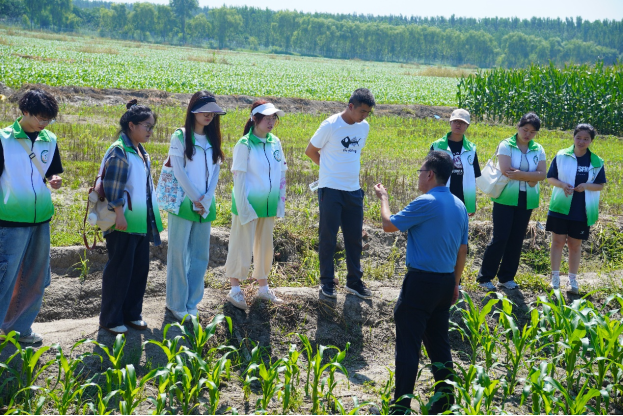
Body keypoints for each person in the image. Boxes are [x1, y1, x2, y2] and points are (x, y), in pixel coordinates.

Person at [374, 151, 467, 414]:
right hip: (445, 282)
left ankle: (401, 406)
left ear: (430, 174)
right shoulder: (459, 205)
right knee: (439, 344)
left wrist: (384, 198)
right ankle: (445, 400)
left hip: (421, 283)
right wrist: (455, 283)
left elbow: (389, 225)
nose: (419, 177)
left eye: (420, 171)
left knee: (408, 345)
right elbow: (462, 250)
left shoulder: (426, 202)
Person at [0, 89, 63, 344]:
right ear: (25, 111)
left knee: (35, 277)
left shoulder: (50, 139)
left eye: (49, 119)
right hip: (11, 219)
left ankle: (19, 328)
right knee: (4, 277)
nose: (44, 123)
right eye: (41, 117)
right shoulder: (4, 139)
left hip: (41, 219)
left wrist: (54, 180)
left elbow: (51, 172)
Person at [99, 100, 163, 335]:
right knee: (120, 271)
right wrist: (119, 213)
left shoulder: (140, 151)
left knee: (138, 270)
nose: (150, 131)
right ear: (132, 125)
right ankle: (110, 319)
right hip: (123, 221)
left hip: (139, 222)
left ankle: (132, 314)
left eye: (152, 127)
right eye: (147, 126)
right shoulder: (120, 150)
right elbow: (112, 185)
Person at [304, 88, 375, 300]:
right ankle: (327, 281)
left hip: (354, 190)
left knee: (354, 238)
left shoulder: (364, 127)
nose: (364, 116)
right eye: (362, 111)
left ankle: (354, 281)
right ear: (351, 106)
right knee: (328, 236)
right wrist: (328, 169)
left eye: (368, 113)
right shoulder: (330, 125)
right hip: (331, 190)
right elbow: (310, 151)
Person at [164, 92, 225, 322]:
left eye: (212, 111)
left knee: (201, 255)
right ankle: (176, 303)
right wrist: (195, 198)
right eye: (204, 110)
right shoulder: (180, 136)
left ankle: (191, 303)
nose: (209, 115)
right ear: (193, 111)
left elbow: (216, 170)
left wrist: (206, 199)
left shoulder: (212, 138)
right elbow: (179, 171)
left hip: (205, 205)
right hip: (183, 203)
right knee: (178, 254)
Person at [225, 100, 288, 310]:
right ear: (254, 118)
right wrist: (244, 207)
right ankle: (235, 289)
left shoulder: (275, 142)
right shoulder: (244, 144)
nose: (271, 122)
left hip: (268, 205)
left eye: (273, 118)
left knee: (265, 246)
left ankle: (263, 288)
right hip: (248, 204)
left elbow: (281, 173)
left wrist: (280, 202)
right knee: (240, 245)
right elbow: (239, 178)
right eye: (266, 118)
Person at [477, 112, 547, 291]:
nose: (528, 134)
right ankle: (485, 277)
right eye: (525, 129)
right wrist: (531, 177)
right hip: (505, 197)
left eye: (532, 132)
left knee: (516, 239)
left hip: (527, 198)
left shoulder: (538, 149)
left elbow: (543, 174)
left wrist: (521, 174)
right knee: (500, 237)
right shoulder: (506, 145)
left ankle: (506, 278)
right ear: (518, 127)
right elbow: (506, 170)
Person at [547, 123, 606, 294]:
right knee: (557, 242)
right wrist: (562, 184)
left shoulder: (596, 161)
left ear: (591, 141)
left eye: (586, 139)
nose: (581, 141)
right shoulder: (561, 155)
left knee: (575, 245)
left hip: (582, 210)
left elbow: (600, 185)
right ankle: (555, 278)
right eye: (578, 137)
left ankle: (572, 280)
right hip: (560, 206)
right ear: (573, 137)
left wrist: (586, 186)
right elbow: (550, 178)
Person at [429, 108, 481, 215]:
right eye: (455, 121)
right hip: (440, 195)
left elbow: (473, 176)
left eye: (462, 122)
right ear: (450, 123)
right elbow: (428, 174)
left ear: (467, 126)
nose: (458, 124)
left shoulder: (471, 149)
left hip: (462, 197)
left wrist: (472, 202)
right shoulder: (437, 146)